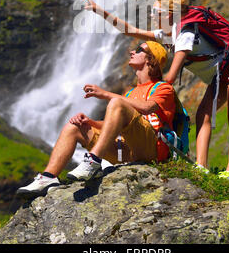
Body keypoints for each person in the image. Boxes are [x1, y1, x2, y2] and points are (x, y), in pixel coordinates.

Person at [82, 0, 229, 179]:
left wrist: (155, 96)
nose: (152, 15)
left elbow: (170, 77)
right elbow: (130, 31)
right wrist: (99, 11)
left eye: (155, 12)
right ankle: (201, 167)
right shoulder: (169, 34)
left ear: (169, 15)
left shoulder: (185, 34)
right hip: (217, 78)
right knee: (202, 117)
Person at [16, 41, 176, 197]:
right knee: (74, 128)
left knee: (117, 102)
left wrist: (106, 94)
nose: (132, 52)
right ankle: (48, 178)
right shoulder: (129, 94)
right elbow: (111, 126)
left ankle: (92, 161)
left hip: (152, 149)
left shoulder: (163, 88)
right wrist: (90, 123)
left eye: (139, 49)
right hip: (126, 152)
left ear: (150, 59)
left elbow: (147, 107)